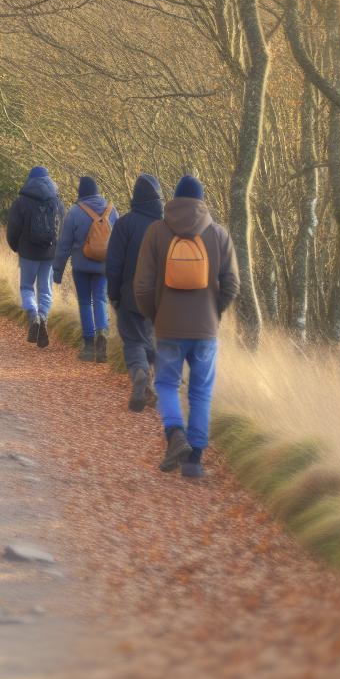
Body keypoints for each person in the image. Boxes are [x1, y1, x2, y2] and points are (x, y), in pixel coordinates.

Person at [133, 175, 239, 480]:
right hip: (205, 329)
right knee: (201, 392)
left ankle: (175, 434)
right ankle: (193, 461)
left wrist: (154, 314)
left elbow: (142, 285)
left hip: (167, 326)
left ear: (174, 200)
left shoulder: (156, 232)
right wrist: (213, 312)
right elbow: (232, 283)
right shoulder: (218, 234)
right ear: (201, 202)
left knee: (166, 384)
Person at [106, 174, 164, 412]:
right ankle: (155, 385)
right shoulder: (167, 227)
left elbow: (113, 265)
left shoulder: (124, 224)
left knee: (133, 340)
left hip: (131, 294)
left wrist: (114, 294)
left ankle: (140, 374)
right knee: (152, 339)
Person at [54, 176, 119, 363]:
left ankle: (89, 346)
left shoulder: (74, 212)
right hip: (104, 266)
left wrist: (57, 272)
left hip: (81, 267)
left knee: (84, 302)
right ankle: (103, 333)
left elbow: (64, 245)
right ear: (97, 190)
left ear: (81, 192)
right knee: (100, 298)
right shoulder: (111, 210)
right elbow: (120, 239)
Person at [6, 166, 62, 348]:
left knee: (26, 286)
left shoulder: (22, 201)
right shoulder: (57, 201)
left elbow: (13, 228)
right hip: (49, 253)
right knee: (45, 289)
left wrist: (16, 247)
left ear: (30, 179)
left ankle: (33, 315)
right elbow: (62, 229)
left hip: (28, 253)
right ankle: (43, 316)